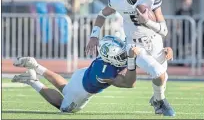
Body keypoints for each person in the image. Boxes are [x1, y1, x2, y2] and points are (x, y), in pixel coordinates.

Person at [86, 0, 175, 116]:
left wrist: (146, 21)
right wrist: (94, 35)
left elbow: (164, 30)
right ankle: (161, 102)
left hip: (155, 41)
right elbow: (102, 14)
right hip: (134, 44)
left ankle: (157, 100)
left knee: (163, 77)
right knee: (159, 74)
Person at [11, 36, 173, 113]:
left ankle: (37, 66)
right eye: (121, 56)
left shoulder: (109, 55)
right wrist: (131, 60)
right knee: (64, 107)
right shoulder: (108, 72)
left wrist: (162, 51)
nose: (124, 55)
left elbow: (132, 46)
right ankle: (33, 81)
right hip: (82, 90)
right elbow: (130, 83)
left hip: (81, 76)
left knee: (66, 88)